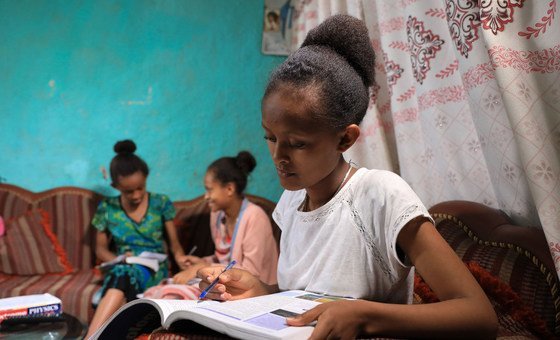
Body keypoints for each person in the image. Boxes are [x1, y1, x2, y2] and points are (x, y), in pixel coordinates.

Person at [197, 14, 498, 339]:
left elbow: (478, 315)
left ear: (345, 139)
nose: (278, 157)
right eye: (270, 137)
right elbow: (302, 299)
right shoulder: (292, 201)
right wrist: (260, 290)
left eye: (297, 144)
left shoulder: (380, 196)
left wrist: (363, 316)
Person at [85, 140, 189, 339]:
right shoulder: (107, 208)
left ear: (146, 178)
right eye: (129, 191)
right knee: (124, 274)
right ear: (115, 186)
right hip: (123, 266)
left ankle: (90, 337)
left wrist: (182, 259)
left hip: (154, 268)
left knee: (122, 280)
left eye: (141, 188)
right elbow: (100, 250)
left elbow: (176, 246)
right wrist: (121, 258)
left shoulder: (161, 203)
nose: (137, 195)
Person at [143, 151, 278, 299]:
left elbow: (252, 274)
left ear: (229, 189)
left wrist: (199, 269)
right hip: (224, 284)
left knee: (174, 297)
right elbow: (224, 259)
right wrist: (202, 262)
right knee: (158, 293)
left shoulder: (254, 217)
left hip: (252, 292)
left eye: (209, 189)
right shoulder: (217, 215)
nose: (206, 196)